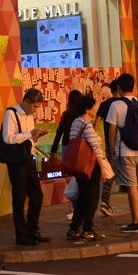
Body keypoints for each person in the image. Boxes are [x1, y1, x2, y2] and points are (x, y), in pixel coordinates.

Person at [1, 88, 50, 246]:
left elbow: (29, 138)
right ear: (26, 101)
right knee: (19, 197)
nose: (35, 110)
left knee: (37, 196)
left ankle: (32, 230)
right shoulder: (11, 114)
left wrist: (35, 136)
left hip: (29, 158)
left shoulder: (29, 116)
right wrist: (30, 134)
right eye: (34, 107)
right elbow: (8, 138)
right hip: (17, 161)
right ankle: (20, 234)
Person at [106, 73, 138, 234]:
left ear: (118, 88)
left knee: (132, 186)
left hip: (125, 152)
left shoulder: (116, 105)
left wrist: (111, 150)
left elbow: (112, 131)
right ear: (134, 86)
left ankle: (135, 221)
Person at [65, 94, 111, 242]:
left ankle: (74, 228)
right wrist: (103, 168)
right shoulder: (86, 125)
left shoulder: (75, 123)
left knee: (83, 198)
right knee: (91, 198)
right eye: (94, 107)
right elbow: (96, 148)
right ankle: (87, 229)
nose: (96, 109)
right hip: (90, 166)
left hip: (80, 166)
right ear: (87, 109)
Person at [49, 89, 83, 222]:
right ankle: (77, 207)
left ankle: (71, 208)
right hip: (78, 148)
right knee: (79, 179)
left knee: (71, 179)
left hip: (66, 148)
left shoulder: (65, 114)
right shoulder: (80, 115)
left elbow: (58, 133)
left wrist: (53, 152)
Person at [94, 79, 121, 218]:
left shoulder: (104, 105)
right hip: (125, 145)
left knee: (110, 173)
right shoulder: (124, 103)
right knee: (130, 172)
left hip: (110, 145)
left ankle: (105, 201)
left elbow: (95, 125)